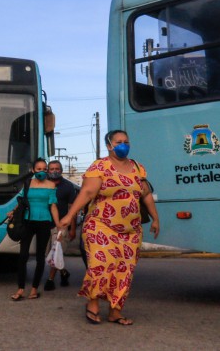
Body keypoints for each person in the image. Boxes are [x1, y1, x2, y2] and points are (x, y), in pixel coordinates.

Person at [59, 130, 160, 325]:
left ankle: (115, 311)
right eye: (118, 142)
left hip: (131, 231)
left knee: (124, 271)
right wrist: (70, 215)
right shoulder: (100, 166)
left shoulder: (138, 168)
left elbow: (145, 194)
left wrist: (155, 218)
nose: (123, 145)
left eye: (126, 141)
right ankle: (93, 304)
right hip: (101, 226)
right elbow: (88, 192)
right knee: (100, 266)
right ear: (109, 145)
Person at [9, 158, 60, 301]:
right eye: (39, 169)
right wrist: (13, 212)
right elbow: (20, 201)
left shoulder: (51, 185)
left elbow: (53, 206)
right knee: (23, 256)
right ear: (33, 170)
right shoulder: (27, 184)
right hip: (27, 221)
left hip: (44, 222)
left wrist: (58, 225)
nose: (42, 172)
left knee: (39, 257)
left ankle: (34, 289)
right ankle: (20, 289)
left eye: (45, 169)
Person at [43, 160, 78, 291]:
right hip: (45, 224)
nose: (54, 171)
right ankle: (64, 272)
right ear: (47, 171)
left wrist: (72, 229)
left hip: (61, 226)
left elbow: (72, 209)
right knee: (48, 253)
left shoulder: (68, 186)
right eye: (51, 169)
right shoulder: (43, 184)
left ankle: (50, 280)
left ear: (61, 170)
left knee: (56, 251)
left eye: (56, 168)